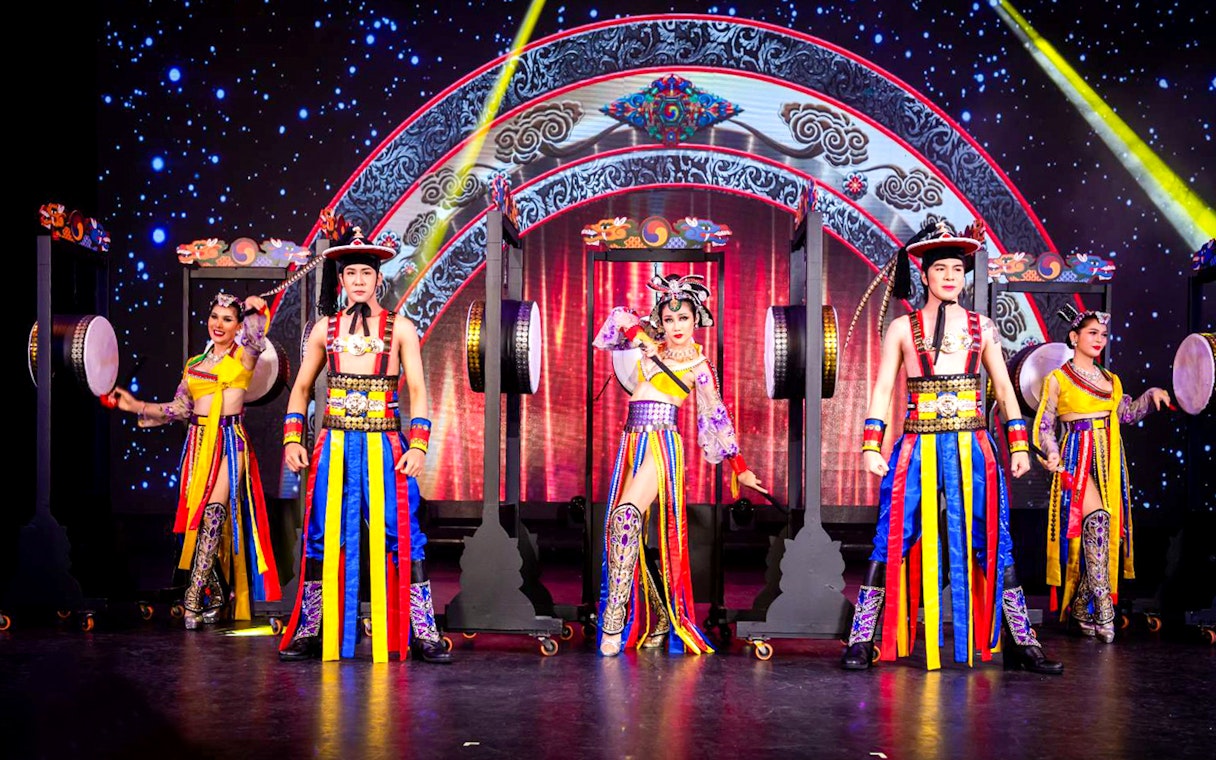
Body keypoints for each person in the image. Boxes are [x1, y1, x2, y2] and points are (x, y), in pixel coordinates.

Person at [840, 219, 1063, 674]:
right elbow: (883, 388)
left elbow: (1003, 389)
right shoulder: (902, 327)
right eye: (939, 269)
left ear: (965, 277)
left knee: (992, 537)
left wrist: (1019, 446)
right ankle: (863, 637)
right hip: (915, 446)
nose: (948, 277)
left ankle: (1021, 641)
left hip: (975, 446)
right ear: (923, 275)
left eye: (956, 271)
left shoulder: (984, 328)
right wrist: (870, 445)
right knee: (892, 534)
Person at [277, 227, 450, 664]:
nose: (357, 280)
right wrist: (292, 438)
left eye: (364, 274)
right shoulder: (324, 328)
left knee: (403, 533)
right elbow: (300, 389)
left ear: (378, 280)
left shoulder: (401, 328)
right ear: (341, 280)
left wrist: (420, 447)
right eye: (350, 273)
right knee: (320, 535)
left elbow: (419, 391)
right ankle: (313, 629)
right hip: (333, 446)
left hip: (386, 447)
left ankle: (423, 630)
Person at [592, 271, 766, 656]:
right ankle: (654, 616)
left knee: (624, 517)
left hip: (660, 442)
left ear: (696, 318)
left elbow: (716, 417)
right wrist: (641, 334)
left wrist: (740, 468)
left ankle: (613, 621)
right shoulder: (651, 345)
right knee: (623, 529)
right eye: (669, 319)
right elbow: (613, 324)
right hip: (631, 438)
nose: (676, 327)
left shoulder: (700, 367)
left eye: (683, 318)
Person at [107, 292, 282, 629]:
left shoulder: (244, 357)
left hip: (230, 443)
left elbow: (257, 336)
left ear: (237, 326)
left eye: (227, 319)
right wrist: (134, 405)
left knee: (215, 516)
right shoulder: (194, 366)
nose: (219, 324)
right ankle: (214, 595)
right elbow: (178, 410)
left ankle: (192, 599)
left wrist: (255, 309)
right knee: (201, 523)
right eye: (215, 317)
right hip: (199, 443)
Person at [1033, 304, 1169, 642]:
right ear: (1074, 337)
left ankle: (1082, 608)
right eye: (1092, 333)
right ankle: (1103, 606)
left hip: (1109, 460)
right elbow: (1045, 426)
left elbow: (1126, 414)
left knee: (1105, 529)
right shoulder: (1058, 379)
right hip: (1077, 458)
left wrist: (1151, 397)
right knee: (1096, 521)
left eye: (1104, 334)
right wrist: (1050, 452)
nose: (1099, 339)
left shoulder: (1111, 380)